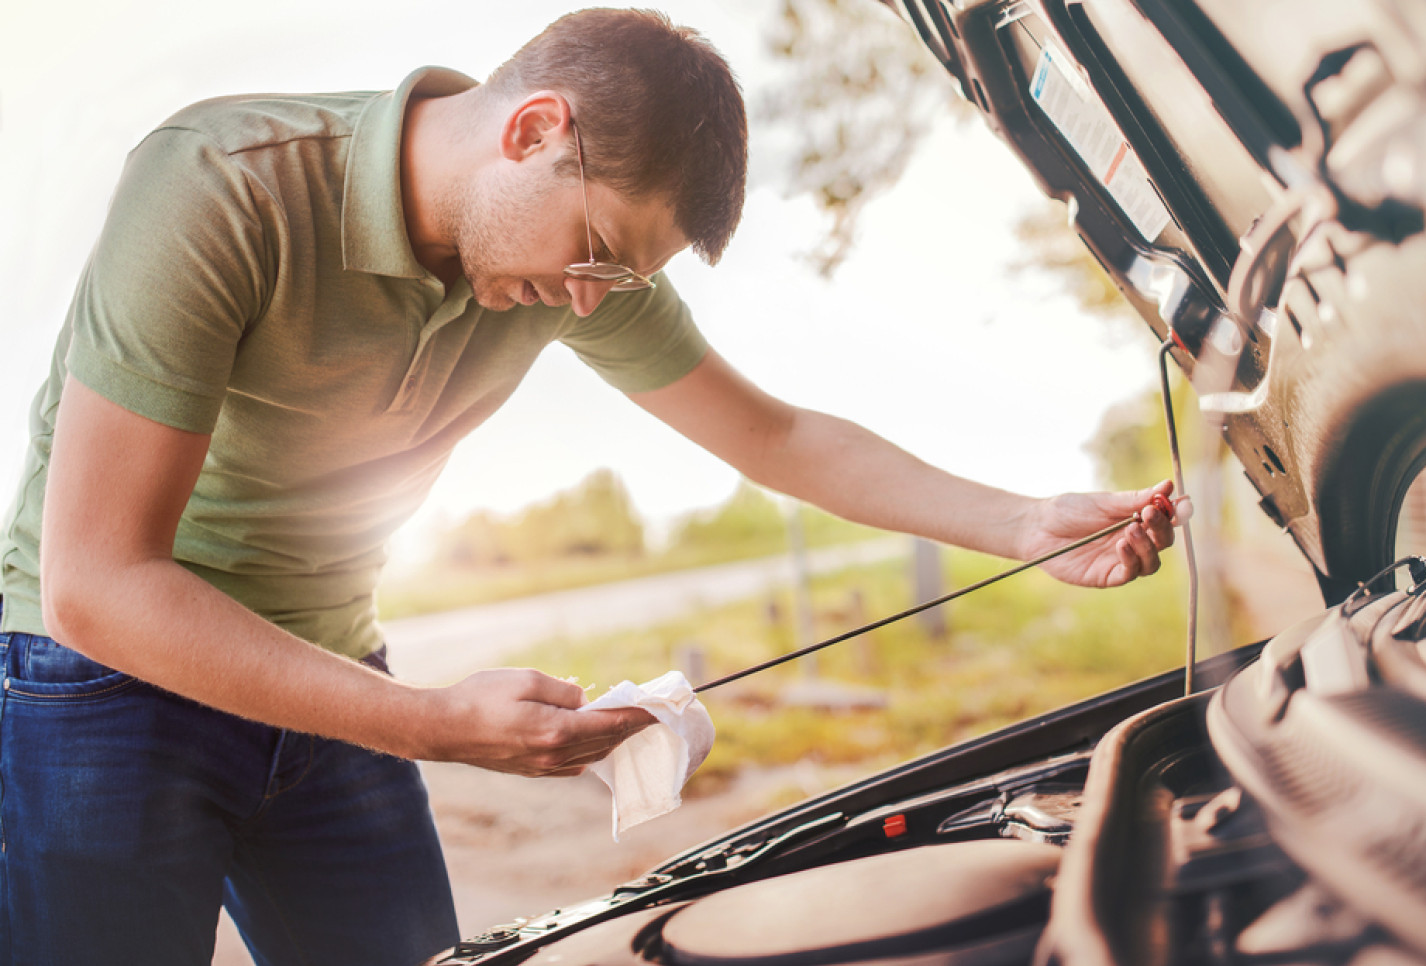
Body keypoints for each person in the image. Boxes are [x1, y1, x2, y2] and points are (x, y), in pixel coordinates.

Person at [0, 8, 1182, 965]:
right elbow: (99, 584)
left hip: (332, 674)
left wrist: (1023, 521)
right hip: (101, 687)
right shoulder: (223, 184)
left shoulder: (566, 268)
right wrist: (431, 725)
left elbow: (775, 436)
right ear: (532, 131)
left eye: (614, 276)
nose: (586, 299)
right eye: (591, 252)